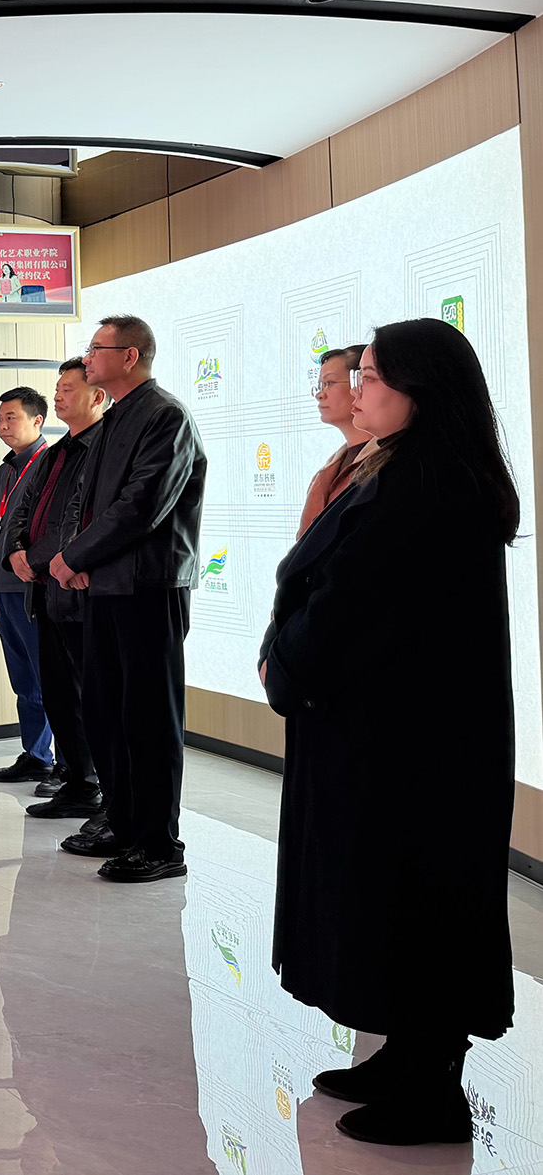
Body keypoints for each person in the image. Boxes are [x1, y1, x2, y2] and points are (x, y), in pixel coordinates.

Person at [259, 320, 516, 1146]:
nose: (354, 388)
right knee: (385, 896)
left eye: (369, 375)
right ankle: (405, 1053)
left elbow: (353, 602)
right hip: (383, 733)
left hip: (415, 745)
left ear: (419, 389)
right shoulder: (400, 466)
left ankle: (433, 1087)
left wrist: (287, 665)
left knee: (417, 898)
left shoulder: (431, 484)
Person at [50, 315, 206, 883]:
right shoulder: (115, 416)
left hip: (148, 585)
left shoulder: (165, 416)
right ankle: (121, 823)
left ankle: (159, 844)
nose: (88, 357)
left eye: (97, 349)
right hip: (105, 585)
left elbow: (142, 505)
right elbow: (88, 505)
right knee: (105, 710)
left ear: (130, 356)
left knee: (149, 717)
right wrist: (77, 560)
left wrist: (76, 557)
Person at [5, 357, 109, 819]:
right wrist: (15, 551)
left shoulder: (103, 447)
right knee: (59, 693)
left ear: (98, 395)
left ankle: (94, 786)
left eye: (69, 388)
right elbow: (23, 511)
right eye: (58, 388)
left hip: (81, 592)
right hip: (47, 592)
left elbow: (79, 522)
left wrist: (34, 557)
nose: (60, 395)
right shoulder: (56, 452)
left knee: (89, 697)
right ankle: (75, 782)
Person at [0, 386, 55, 786]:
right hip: (6, 588)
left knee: (49, 678)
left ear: (37, 420)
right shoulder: (6, 470)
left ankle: (70, 766)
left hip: (34, 587)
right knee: (23, 679)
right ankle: (35, 755)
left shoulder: (50, 464)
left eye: (10, 417)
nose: (2, 426)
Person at [297, 344, 372, 537]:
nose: (319, 394)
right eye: (319, 386)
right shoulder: (329, 469)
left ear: (361, 383)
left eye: (329, 383)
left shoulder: (390, 461)